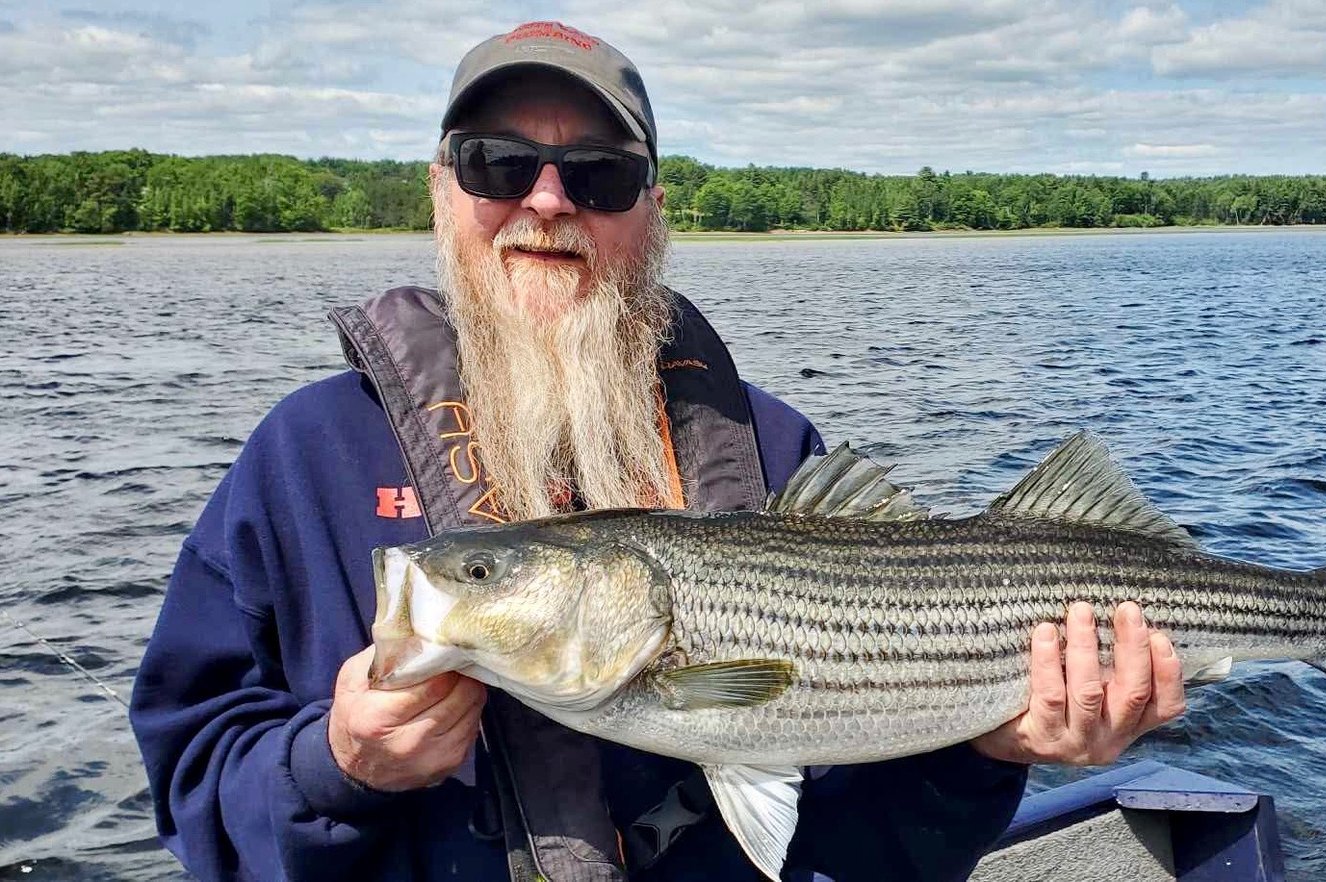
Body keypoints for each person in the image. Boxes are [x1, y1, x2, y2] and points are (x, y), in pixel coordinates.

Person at [129, 20, 1185, 882]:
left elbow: (862, 852)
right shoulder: (303, 457)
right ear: (443, 192)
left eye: (598, 176)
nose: (546, 202)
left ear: (652, 212)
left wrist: (987, 751)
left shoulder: (771, 446)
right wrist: (336, 767)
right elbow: (196, 792)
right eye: (498, 163)